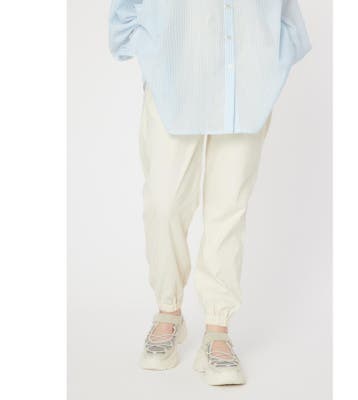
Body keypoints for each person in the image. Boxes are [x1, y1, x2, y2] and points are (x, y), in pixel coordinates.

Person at [109, 0, 311, 386]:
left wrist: (272, 59)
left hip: (246, 80)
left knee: (228, 207)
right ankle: (168, 312)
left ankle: (217, 329)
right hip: (173, 75)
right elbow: (126, 9)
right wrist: (148, 49)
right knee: (164, 202)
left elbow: (285, 11)